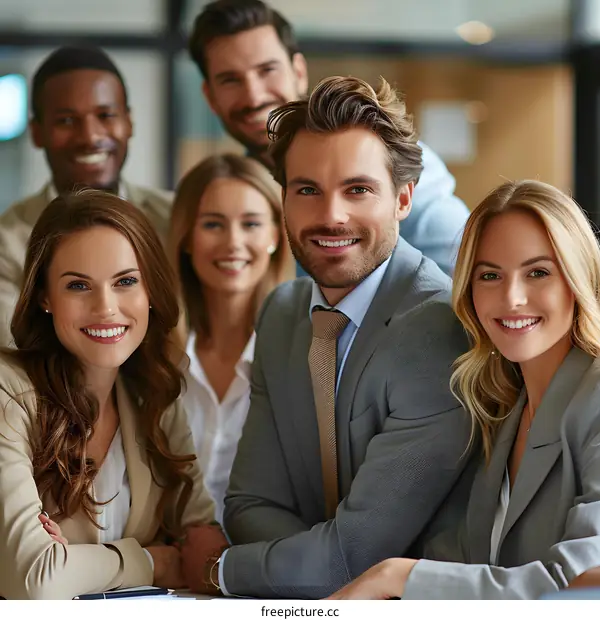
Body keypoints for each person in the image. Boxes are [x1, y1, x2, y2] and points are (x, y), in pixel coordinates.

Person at [178, 75, 472, 599]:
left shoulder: (438, 327)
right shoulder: (283, 313)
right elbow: (248, 506)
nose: (331, 216)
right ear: (284, 199)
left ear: (404, 198)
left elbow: (353, 559)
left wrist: (218, 570)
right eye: (307, 190)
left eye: (357, 189)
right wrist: (315, 560)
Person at [327, 180, 600, 600]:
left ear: (578, 278)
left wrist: (398, 577)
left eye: (538, 272)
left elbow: (579, 583)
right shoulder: (500, 406)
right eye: (490, 275)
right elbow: (466, 562)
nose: (511, 297)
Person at [0, 190, 227, 600]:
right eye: (78, 286)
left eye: (125, 281)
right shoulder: (8, 391)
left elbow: (202, 545)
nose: (106, 308)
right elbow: (34, 580)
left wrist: (80, 562)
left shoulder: (153, 389)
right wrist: (154, 562)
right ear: (44, 298)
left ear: (150, 291)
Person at [188, 0, 470, 276]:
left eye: (267, 70)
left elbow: (461, 283)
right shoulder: (240, 187)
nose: (254, 95)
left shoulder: (380, 156)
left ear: (298, 72)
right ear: (210, 96)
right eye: (230, 80)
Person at [0, 46, 174, 347]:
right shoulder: (7, 241)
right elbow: (13, 349)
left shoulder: (176, 217)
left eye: (105, 115)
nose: (90, 137)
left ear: (129, 122)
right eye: (66, 120)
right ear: (36, 132)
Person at [169, 153, 295, 524]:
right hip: (162, 571)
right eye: (213, 224)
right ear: (187, 237)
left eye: (251, 224)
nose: (233, 242)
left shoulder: (304, 356)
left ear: (275, 234)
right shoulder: (150, 357)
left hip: (260, 571)